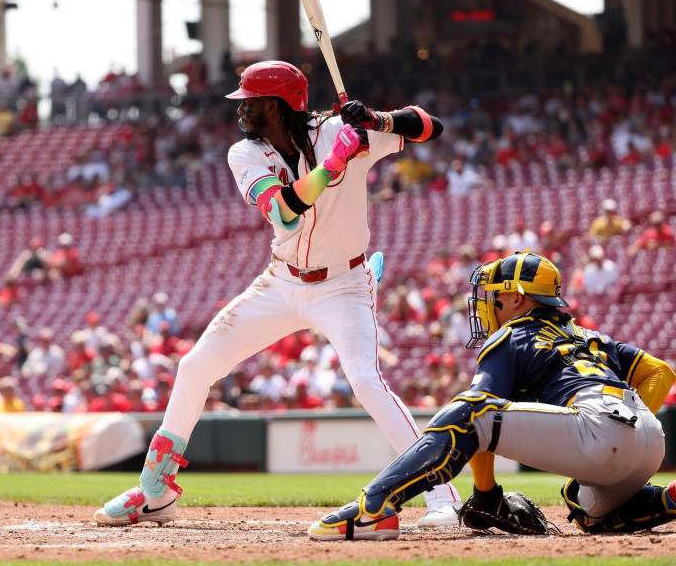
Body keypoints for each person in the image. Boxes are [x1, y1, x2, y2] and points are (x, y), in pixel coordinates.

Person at [94, 60, 458, 528]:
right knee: (195, 366)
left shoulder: (341, 130)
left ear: (278, 105)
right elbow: (284, 214)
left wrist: (375, 122)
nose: (242, 110)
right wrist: (331, 165)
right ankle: (155, 492)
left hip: (344, 285)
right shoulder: (244, 153)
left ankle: (443, 499)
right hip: (282, 281)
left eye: (251, 102)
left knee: (367, 381)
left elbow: (431, 126)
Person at [307, 251, 676, 540]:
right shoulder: (588, 335)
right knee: (586, 507)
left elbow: (478, 407)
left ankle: (373, 508)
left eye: (496, 296)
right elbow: (662, 371)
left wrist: (486, 495)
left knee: (470, 411)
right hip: (648, 442)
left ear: (517, 298)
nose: (489, 303)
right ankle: (667, 498)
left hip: (600, 431)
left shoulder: (514, 334)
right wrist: (631, 423)